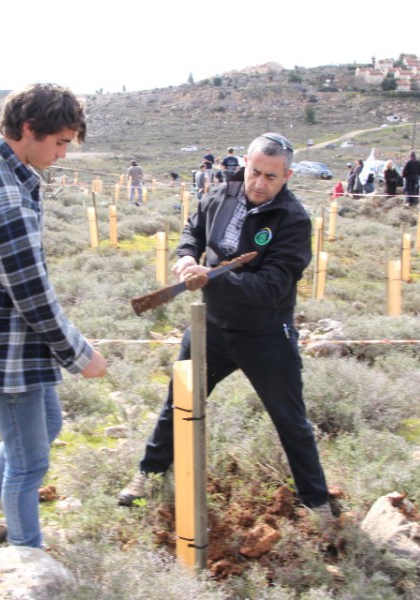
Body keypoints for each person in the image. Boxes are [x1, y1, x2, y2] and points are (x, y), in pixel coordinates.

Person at [116, 132, 337, 526]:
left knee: (290, 420)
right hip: (211, 327)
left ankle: (316, 502)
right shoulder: (221, 195)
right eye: (255, 172)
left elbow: (273, 285)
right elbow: (193, 231)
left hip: (266, 334)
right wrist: (186, 257)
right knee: (178, 405)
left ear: (286, 176)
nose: (259, 183)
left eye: (271, 176)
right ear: (245, 165)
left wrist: (212, 278)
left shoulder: (293, 220)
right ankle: (147, 477)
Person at [0, 83, 108, 549]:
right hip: (5, 353)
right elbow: (32, 296)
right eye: (58, 143)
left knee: (47, 426)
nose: (62, 155)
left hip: (10, 341)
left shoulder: (7, 170)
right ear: (29, 129)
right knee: (29, 463)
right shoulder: (3, 197)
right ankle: (27, 559)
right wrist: (81, 356)